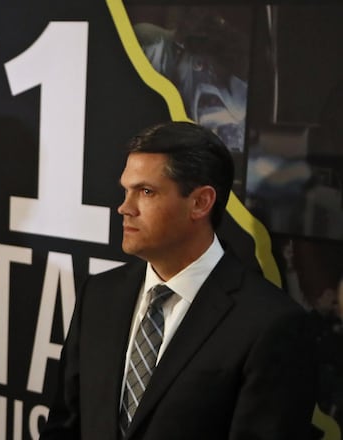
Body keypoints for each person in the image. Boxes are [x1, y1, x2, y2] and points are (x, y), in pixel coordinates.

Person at [40, 121, 317, 439]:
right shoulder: (99, 296)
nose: (125, 208)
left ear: (201, 202)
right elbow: (64, 426)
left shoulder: (270, 324)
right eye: (126, 190)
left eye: (146, 192)